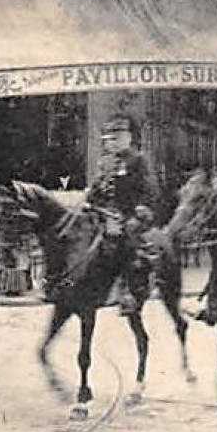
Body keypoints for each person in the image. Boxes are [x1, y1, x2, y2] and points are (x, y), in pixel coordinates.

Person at [83, 119, 160, 314]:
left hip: (132, 215)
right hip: (106, 215)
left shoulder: (139, 160)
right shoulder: (105, 162)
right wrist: (90, 198)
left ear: (128, 138)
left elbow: (150, 190)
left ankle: (129, 291)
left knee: (130, 242)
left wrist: (140, 210)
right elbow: (97, 187)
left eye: (116, 138)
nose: (111, 143)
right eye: (108, 139)